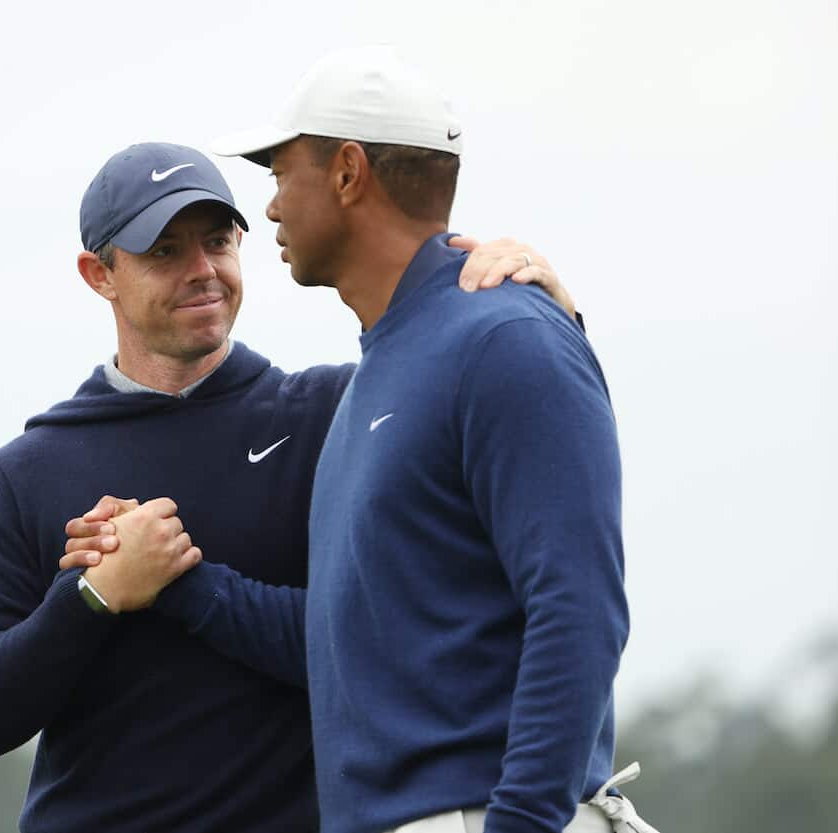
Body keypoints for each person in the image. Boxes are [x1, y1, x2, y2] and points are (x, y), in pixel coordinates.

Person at [0, 141, 578, 833]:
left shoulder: (338, 414)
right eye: (165, 251)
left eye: (217, 241)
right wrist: (94, 592)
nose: (202, 271)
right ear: (100, 274)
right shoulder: (27, 471)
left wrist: (553, 321)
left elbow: (392, 643)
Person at [208, 46, 657, 833]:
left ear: (348, 172)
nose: (270, 208)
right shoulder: (390, 364)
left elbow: (579, 607)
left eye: (280, 173)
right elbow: (350, 635)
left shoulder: (505, 335)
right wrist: (178, 585)